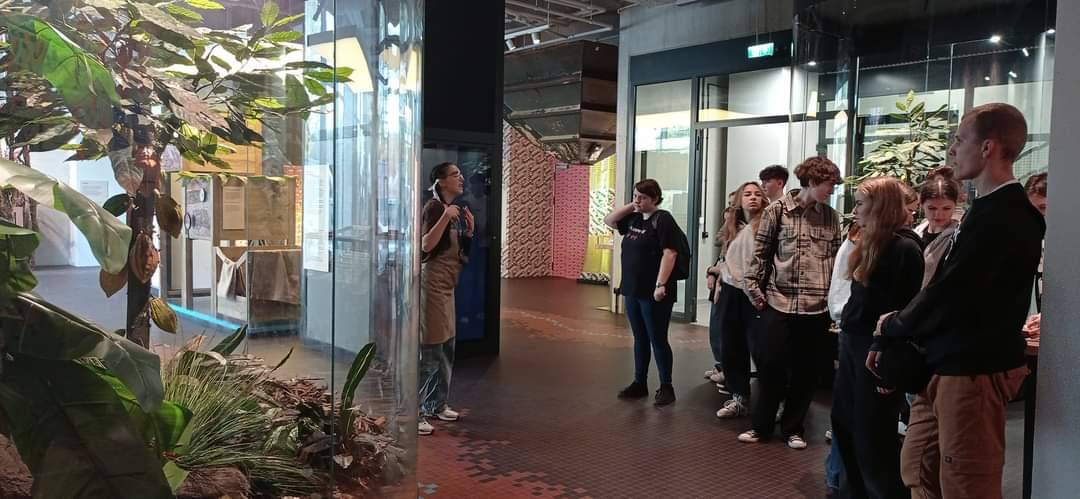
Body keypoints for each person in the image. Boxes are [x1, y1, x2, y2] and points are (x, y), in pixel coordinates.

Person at [871, 103, 1044, 499]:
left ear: (987, 147)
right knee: (919, 467)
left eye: (960, 139)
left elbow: (953, 293)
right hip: (945, 365)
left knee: (967, 481)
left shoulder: (1008, 215)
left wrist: (895, 324)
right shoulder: (985, 210)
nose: (952, 149)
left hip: (974, 371)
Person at [739, 156, 844, 450]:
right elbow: (761, 254)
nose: (831, 191)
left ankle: (793, 428)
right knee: (771, 367)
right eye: (828, 185)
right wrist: (754, 291)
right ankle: (761, 426)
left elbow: (836, 261)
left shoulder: (831, 216)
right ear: (812, 181)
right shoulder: (777, 211)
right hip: (779, 302)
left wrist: (835, 302)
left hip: (817, 307)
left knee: (807, 372)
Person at [832, 177, 924, 499]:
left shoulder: (904, 247)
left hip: (875, 349)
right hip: (854, 342)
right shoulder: (873, 243)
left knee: (871, 437)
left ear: (879, 207)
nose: (855, 210)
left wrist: (885, 353)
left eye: (860, 203)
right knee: (845, 424)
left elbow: (903, 309)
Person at [605, 179, 683, 406]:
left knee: (657, 339)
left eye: (643, 197)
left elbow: (670, 253)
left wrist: (660, 284)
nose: (638, 200)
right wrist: (634, 205)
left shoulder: (663, 219)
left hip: (654, 291)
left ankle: (666, 386)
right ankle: (640, 382)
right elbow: (609, 220)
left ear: (655, 199)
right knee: (640, 338)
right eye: (635, 196)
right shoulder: (634, 218)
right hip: (633, 289)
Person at [418, 162, 475, 436]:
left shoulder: (455, 211)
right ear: (440, 181)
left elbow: (461, 255)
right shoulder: (434, 208)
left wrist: (470, 232)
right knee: (431, 350)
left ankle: (436, 404)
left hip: (448, 286)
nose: (461, 178)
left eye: (460, 174)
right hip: (432, 286)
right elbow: (426, 245)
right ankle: (415, 411)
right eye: (455, 175)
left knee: (447, 348)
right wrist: (445, 217)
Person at [712, 181, 767, 418]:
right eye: (747, 194)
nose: (752, 197)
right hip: (731, 291)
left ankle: (772, 401)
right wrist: (716, 277)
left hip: (756, 292)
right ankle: (738, 395)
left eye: (757, 194)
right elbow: (727, 259)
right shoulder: (732, 227)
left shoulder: (767, 225)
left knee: (761, 347)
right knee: (732, 344)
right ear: (739, 200)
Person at [915, 167, 964, 288]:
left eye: (946, 208)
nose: (938, 215)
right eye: (932, 208)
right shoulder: (916, 233)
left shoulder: (959, 236)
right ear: (921, 205)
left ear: (955, 206)